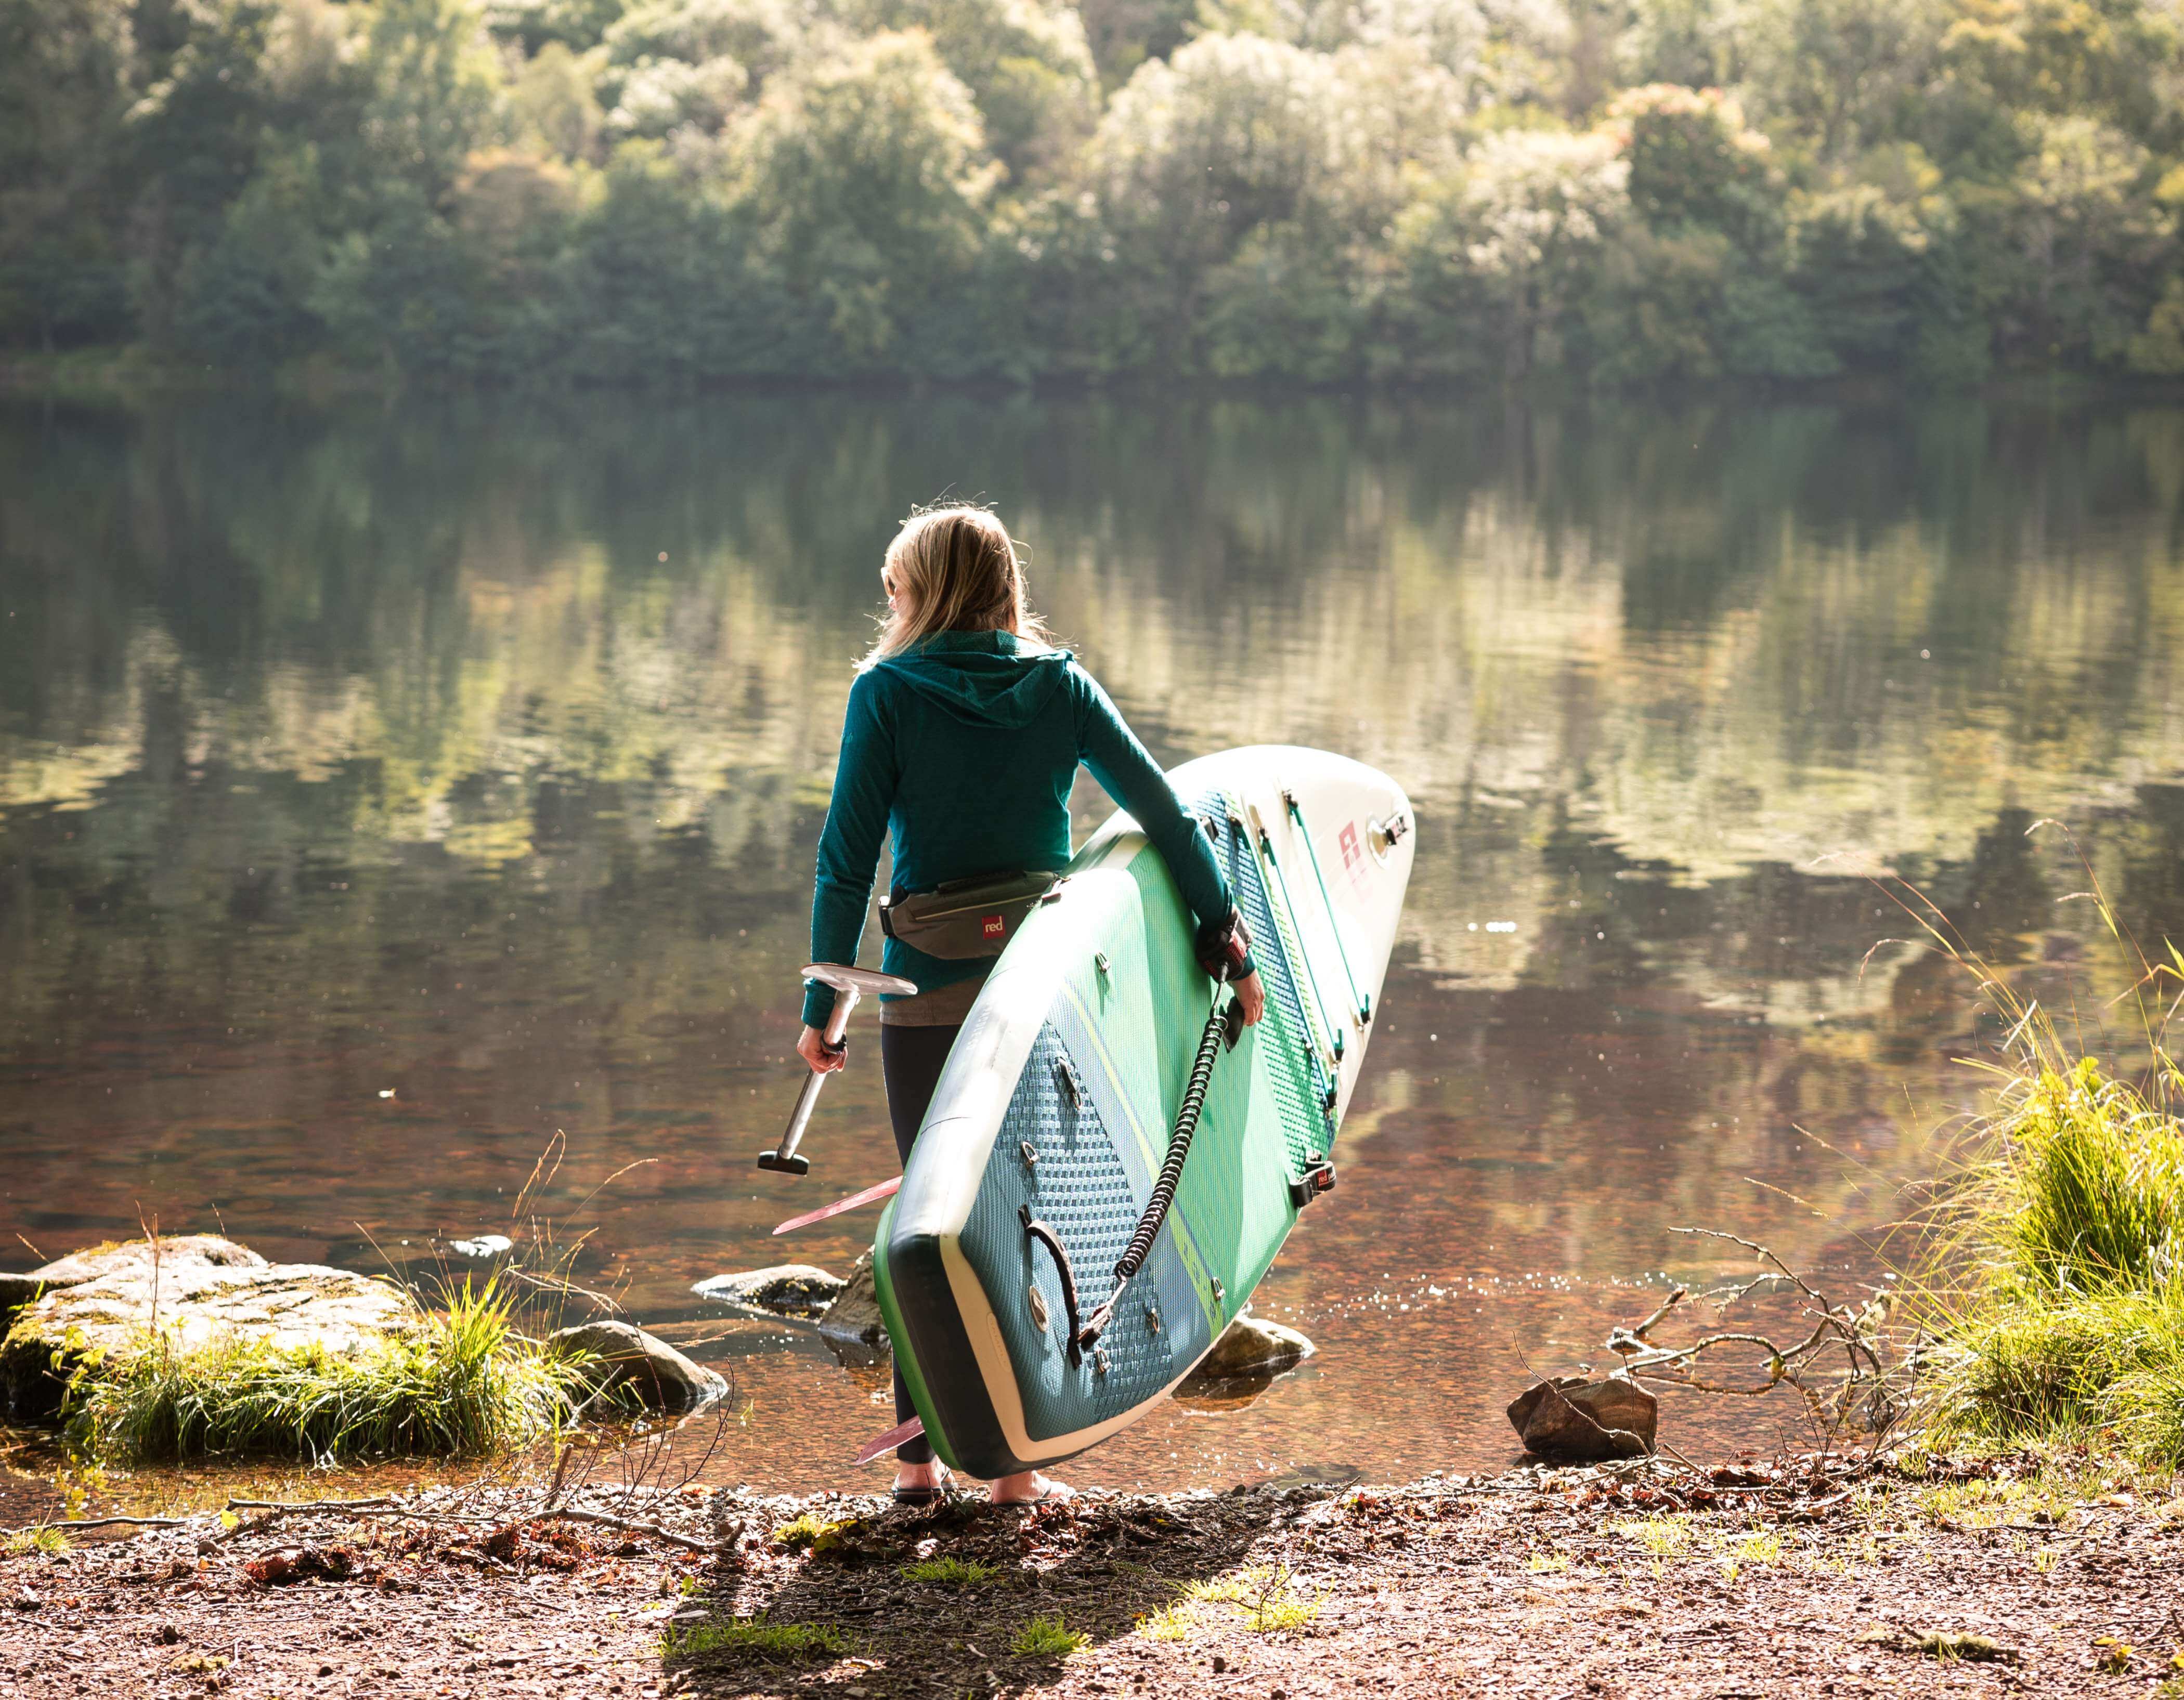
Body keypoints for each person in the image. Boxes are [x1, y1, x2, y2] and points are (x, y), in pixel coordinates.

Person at [797, 502, 1265, 1507]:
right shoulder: (1058, 688)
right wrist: (1226, 940)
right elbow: (1164, 814)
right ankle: (1010, 1470)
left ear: (920, 594)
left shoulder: (885, 693)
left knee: (925, 1220)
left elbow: (847, 857)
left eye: (897, 588)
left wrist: (822, 999)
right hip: (1042, 999)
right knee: (1019, 1219)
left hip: (923, 989)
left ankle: (918, 1466)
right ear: (1004, 588)